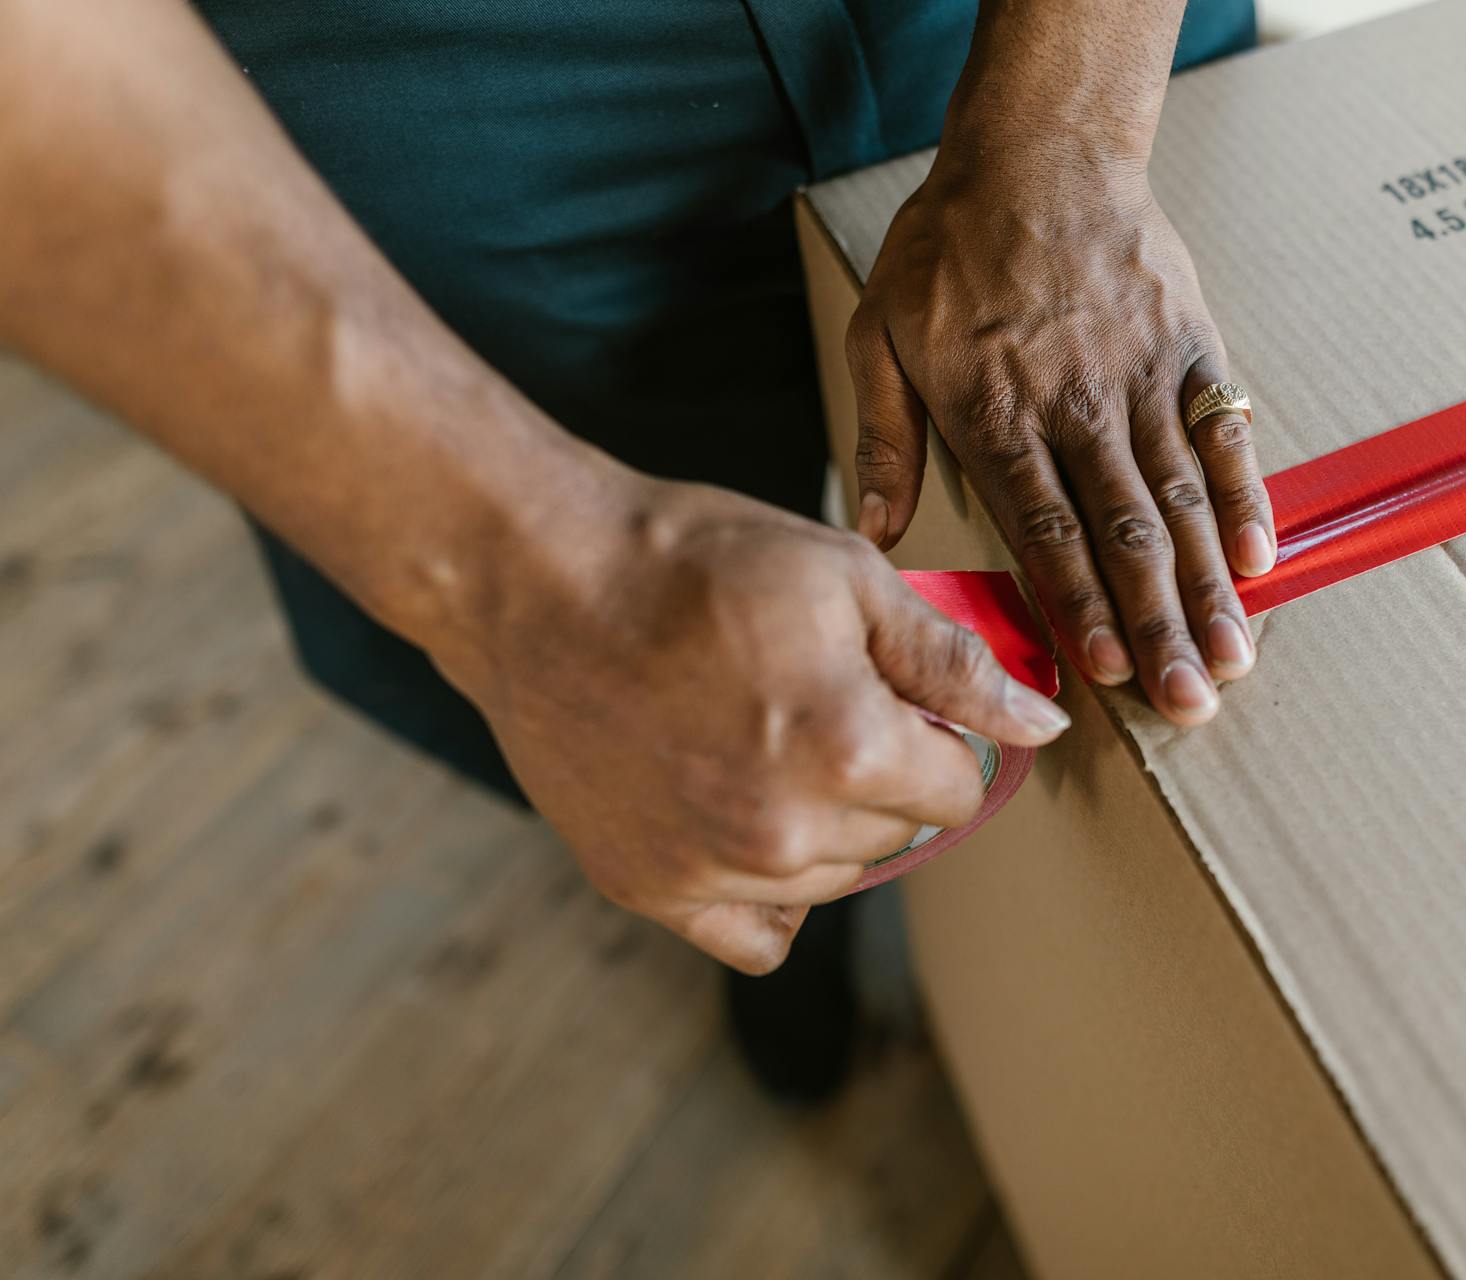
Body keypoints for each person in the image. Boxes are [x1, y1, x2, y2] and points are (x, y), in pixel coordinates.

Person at [0, 0, 1273, 1097]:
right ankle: (805, 909)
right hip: (430, 82)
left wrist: (1068, 132)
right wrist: (537, 583)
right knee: (683, 711)